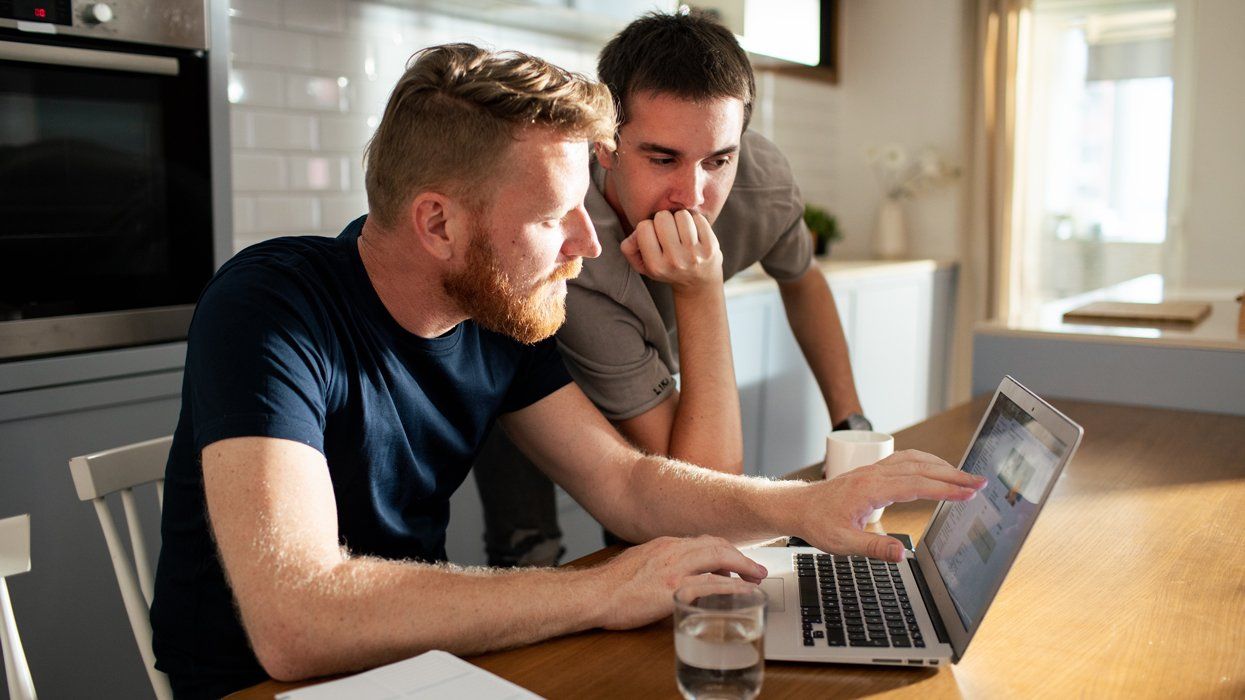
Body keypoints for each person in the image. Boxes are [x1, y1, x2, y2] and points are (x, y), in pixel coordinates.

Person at [148, 43, 983, 699]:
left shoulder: (493, 314)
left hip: (416, 666)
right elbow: (297, 620)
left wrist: (804, 505)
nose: (588, 245)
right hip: (263, 686)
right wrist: (598, 591)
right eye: (555, 217)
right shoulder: (270, 310)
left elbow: (625, 485)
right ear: (437, 224)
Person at [474, 10, 873, 566]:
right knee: (533, 551)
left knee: (653, 533)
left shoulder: (763, 184)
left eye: (719, 159)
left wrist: (851, 424)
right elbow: (704, 489)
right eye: (662, 159)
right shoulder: (573, 245)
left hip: (646, 358)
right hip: (527, 355)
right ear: (606, 145)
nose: (692, 193)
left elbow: (802, 281)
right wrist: (702, 290)